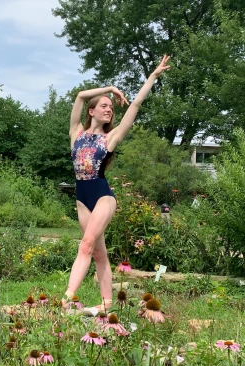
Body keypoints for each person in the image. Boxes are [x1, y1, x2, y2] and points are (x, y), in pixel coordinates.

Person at [63, 55, 171, 313]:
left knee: (86, 245)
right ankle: (106, 304)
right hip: (82, 198)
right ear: (92, 111)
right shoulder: (76, 132)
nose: (109, 109)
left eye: (111, 107)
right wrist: (110, 89)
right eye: (103, 105)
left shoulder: (110, 138)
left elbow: (134, 105)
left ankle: (66, 298)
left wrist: (152, 77)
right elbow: (79, 95)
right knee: (99, 254)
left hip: (102, 196)